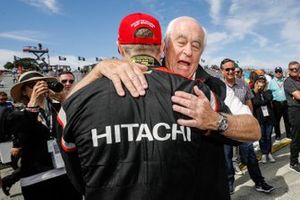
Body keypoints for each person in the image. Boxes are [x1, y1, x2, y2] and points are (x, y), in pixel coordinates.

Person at [64, 16, 261, 199]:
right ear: (163, 47)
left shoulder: (213, 88)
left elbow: (254, 130)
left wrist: (216, 120)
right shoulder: (110, 82)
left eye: (196, 45)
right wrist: (97, 71)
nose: (188, 51)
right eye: (181, 43)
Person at [4, 71, 82, 200]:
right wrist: (34, 103)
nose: (39, 87)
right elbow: (23, 133)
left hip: (67, 175)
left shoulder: (59, 108)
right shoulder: (17, 115)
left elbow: (79, 123)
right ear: (23, 92)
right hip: (36, 180)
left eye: (42, 83)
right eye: (32, 85)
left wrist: (63, 99)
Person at [220, 58, 274, 194]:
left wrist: (251, 120)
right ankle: (229, 184)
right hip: (225, 127)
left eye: (233, 68)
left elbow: (249, 102)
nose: (231, 71)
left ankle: (259, 182)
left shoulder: (242, 84)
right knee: (226, 158)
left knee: (250, 156)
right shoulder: (218, 86)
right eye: (227, 69)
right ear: (222, 71)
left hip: (242, 126)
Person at [252, 75, 276, 163]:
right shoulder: (253, 92)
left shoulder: (268, 91)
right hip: (259, 118)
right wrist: (257, 91)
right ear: (256, 83)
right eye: (259, 81)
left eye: (263, 82)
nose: (261, 84)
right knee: (261, 137)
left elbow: (269, 98)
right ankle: (264, 154)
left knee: (268, 136)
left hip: (269, 118)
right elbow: (255, 102)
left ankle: (269, 153)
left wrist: (261, 101)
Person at [283, 61, 300, 173]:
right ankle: (293, 162)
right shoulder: (288, 81)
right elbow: (298, 96)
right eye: (292, 69)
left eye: (296, 69)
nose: (294, 70)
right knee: (296, 137)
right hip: (295, 111)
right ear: (289, 70)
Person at [268, 66, 291, 142]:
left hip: (285, 102)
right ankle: (278, 135)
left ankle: (289, 134)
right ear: (275, 73)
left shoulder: (285, 80)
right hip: (276, 103)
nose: (278, 73)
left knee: (287, 120)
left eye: (280, 72)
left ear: (281, 73)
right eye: (277, 72)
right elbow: (269, 93)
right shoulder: (271, 82)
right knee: (277, 121)